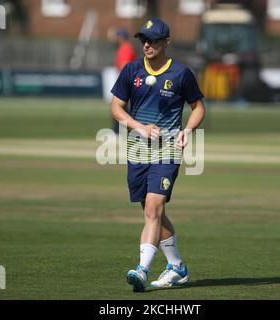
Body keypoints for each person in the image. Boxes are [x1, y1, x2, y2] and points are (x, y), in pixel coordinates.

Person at [110, 18, 206, 292]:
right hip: (137, 150)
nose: (147, 45)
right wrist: (139, 126)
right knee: (152, 212)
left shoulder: (180, 73)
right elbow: (116, 108)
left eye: (153, 40)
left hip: (167, 150)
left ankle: (141, 270)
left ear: (167, 42)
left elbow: (198, 107)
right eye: (144, 40)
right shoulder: (131, 70)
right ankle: (177, 267)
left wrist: (187, 129)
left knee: (153, 209)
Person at [112, 28, 137, 134]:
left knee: (118, 107)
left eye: (118, 36)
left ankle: (117, 133)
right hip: (130, 81)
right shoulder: (125, 47)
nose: (116, 38)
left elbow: (124, 66)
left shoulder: (125, 48)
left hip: (128, 82)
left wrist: (122, 84)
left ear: (121, 37)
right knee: (123, 108)